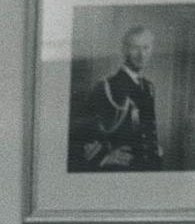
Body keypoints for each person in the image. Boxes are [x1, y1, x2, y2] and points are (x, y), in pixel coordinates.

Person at [69, 25, 163, 171]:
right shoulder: (107, 86)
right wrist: (103, 157)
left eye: (146, 48)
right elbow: (80, 130)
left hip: (149, 166)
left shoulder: (148, 86)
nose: (141, 55)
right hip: (123, 169)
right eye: (135, 48)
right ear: (125, 50)